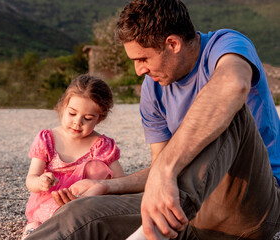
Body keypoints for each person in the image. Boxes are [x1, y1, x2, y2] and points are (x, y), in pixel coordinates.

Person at [25, 0, 280, 239]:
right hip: (180, 213)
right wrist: (106, 187)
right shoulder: (153, 88)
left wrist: (165, 170)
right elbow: (159, 171)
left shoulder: (225, 44)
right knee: (80, 214)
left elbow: (233, 85)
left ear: (173, 44)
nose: (139, 70)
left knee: (226, 108)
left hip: (248, 210)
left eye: (143, 59)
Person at [21, 74, 125, 240]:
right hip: (50, 202)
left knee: (83, 225)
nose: (78, 122)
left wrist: (98, 190)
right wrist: (41, 182)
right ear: (63, 107)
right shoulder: (48, 139)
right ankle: (37, 232)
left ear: (100, 118)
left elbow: (120, 181)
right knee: (42, 226)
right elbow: (30, 180)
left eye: (88, 118)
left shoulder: (101, 145)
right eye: (72, 114)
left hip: (86, 203)